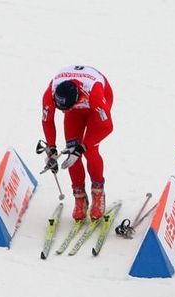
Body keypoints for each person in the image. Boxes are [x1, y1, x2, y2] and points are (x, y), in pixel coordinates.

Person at [41, 65, 114, 221]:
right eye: (61, 109)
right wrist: (51, 148)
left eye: (65, 109)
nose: (63, 112)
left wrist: (84, 146)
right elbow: (47, 120)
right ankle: (79, 196)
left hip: (97, 102)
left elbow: (107, 127)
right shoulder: (50, 93)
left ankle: (98, 192)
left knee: (90, 151)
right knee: (71, 151)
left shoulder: (94, 93)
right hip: (77, 110)